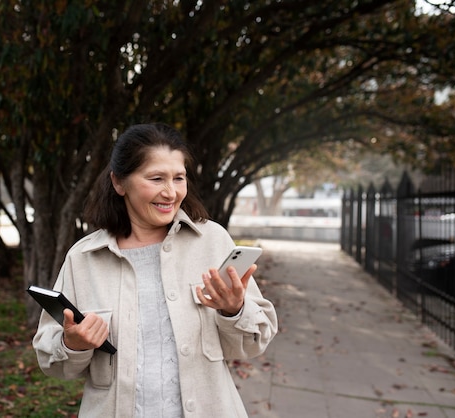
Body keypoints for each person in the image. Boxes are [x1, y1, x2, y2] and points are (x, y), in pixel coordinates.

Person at [32, 123, 278, 417]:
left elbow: (254, 342)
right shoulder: (83, 258)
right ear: (119, 182)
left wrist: (234, 311)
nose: (170, 192)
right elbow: (50, 360)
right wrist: (72, 344)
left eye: (178, 178)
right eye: (156, 178)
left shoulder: (213, 241)